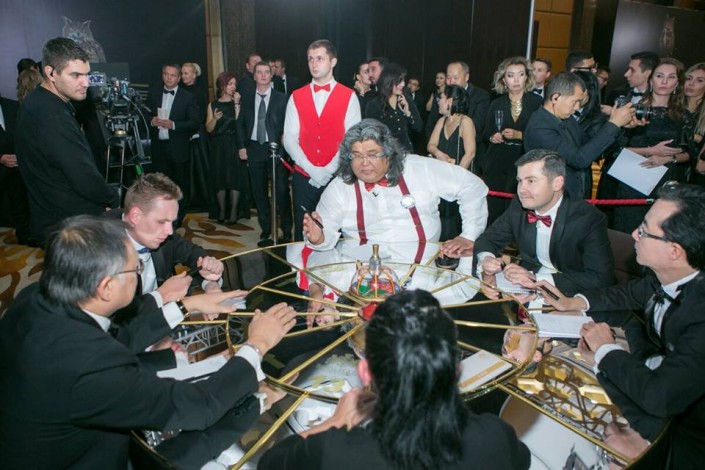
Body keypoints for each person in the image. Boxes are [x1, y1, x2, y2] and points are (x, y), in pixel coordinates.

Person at [0, 215, 298, 469]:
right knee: (192, 439)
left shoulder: (34, 298)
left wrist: (187, 305)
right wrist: (256, 346)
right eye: (136, 270)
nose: (139, 274)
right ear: (106, 287)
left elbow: (113, 336)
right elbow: (199, 407)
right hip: (86, 458)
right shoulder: (90, 365)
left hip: (33, 437)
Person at [532, 183, 705, 469]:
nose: (634, 234)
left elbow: (660, 398)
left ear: (675, 251)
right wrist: (574, 302)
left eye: (644, 231)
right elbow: (626, 294)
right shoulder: (668, 276)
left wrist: (605, 350)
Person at [258, 289, 530, 470]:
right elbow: (521, 460)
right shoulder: (494, 436)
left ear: (365, 371)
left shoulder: (335, 452)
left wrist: (334, 423)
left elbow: (270, 463)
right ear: (456, 368)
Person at [302, 119, 487, 259]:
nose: (364, 163)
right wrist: (318, 238)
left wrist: (468, 235)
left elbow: (472, 186)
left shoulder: (420, 168)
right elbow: (325, 233)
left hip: (422, 271)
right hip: (360, 272)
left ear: (389, 154)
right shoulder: (339, 187)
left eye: (373, 155)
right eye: (356, 156)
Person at [15, 37, 119, 246]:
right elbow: (82, 176)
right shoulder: (52, 116)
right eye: (76, 75)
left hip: (55, 218)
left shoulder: (37, 101)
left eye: (87, 74)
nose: (86, 83)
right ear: (51, 73)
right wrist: (112, 198)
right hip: (73, 227)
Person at [474, 149, 615, 301]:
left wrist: (537, 280)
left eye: (531, 181)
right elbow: (488, 239)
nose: (521, 190)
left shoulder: (588, 219)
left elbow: (600, 278)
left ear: (557, 183)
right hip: (525, 292)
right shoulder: (518, 206)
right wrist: (486, 260)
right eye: (520, 181)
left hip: (573, 296)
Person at [111, 173, 226, 333]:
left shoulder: (162, 237)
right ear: (135, 216)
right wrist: (162, 295)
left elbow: (192, 253)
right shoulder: (97, 248)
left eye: (172, 222)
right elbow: (112, 323)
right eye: (162, 221)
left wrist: (211, 284)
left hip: (159, 326)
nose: (170, 231)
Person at [283, 39, 361, 241]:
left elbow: (352, 139)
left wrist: (328, 170)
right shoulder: (296, 96)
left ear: (333, 62)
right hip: (304, 176)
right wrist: (311, 169)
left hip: (337, 177)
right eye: (310, 59)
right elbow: (289, 138)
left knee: (337, 232)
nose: (314, 64)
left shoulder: (349, 96)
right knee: (303, 231)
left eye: (319, 58)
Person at [524, 71, 635, 199]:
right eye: (575, 101)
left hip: (576, 196)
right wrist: (614, 124)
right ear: (555, 98)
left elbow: (588, 146)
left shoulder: (566, 118)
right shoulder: (539, 128)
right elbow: (579, 159)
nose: (577, 107)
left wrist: (619, 126)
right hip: (555, 200)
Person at [612, 58, 691, 234]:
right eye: (659, 76)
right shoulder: (633, 111)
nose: (664, 81)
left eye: (671, 77)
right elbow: (615, 150)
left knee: (660, 233)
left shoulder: (684, 116)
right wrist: (651, 151)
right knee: (628, 232)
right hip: (633, 181)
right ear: (651, 79)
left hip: (666, 183)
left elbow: (688, 154)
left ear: (677, 83)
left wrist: (669, 158)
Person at [479, 57, 543, 223]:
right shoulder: (496, 103)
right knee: (495, 207)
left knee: (520, 207)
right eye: (510, 75)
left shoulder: (537, 103)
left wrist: (520, 135)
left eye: (520, 75)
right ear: (503, 79)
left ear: (526, 77)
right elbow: (485, 132)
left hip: (525, 160)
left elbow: (542, 135)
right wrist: (493, 136)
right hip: (498, 160)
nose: (516, 80)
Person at [236, 62, 291, 245]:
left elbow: (289, 124)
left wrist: (286, 142)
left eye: (267, 72)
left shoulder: (282, 98)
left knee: (281, 191)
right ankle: (266, 228)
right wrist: (242, 146)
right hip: (254, 148)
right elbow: (240, 124)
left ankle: (286, 228)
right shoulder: (247, 98)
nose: (263, 75)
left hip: (276, 149)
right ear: (254, 76)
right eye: (259, 72)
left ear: (271, 75)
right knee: (259, 192)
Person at [148, 63, 201, 228]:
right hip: (159, 148)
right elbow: (144, 113)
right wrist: (151, 120)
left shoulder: (187, 97)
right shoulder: (154, 93)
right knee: (160, 186)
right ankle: (162, 216)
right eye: (166, 74)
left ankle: (178, 218)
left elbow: (195, 122)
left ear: (178, 78)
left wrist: (174, 125)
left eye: (172, 75)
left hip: (179, 148)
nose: (168, 78)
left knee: (180, 185)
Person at [427, 85, 476, 241]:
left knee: (455, 222)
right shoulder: (442, 121)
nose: (438, 101)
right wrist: (438, 153)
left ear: (450, 100)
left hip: (460, 181)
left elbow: (470, 153)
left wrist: (457, 178)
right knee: (442, 219)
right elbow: (431, 145)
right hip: (442, 180)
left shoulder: (465, 121)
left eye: (440, 98)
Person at [206, 72, 244, 224]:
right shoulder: (213, 104)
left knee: (235, 178)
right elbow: (209, 129)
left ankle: (234, 211)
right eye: (230, 84)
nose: (233, 87)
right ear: (222, 85)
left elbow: (239, 124)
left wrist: (236, 104)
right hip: (218, 145)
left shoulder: (238, 103)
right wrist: (215, 119)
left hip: (234, 144)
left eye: (234, 84)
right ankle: (221, 210)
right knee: (219, 178)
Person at [364, 63, 422, 152]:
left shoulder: (405, 99)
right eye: (399, 81)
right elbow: (370, 134)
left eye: (403, 81)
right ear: (389, 81)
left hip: (406, 151)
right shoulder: (374, 104)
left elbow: (418, 127)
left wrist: (407, 113)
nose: (403, 84)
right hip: (385, 153)